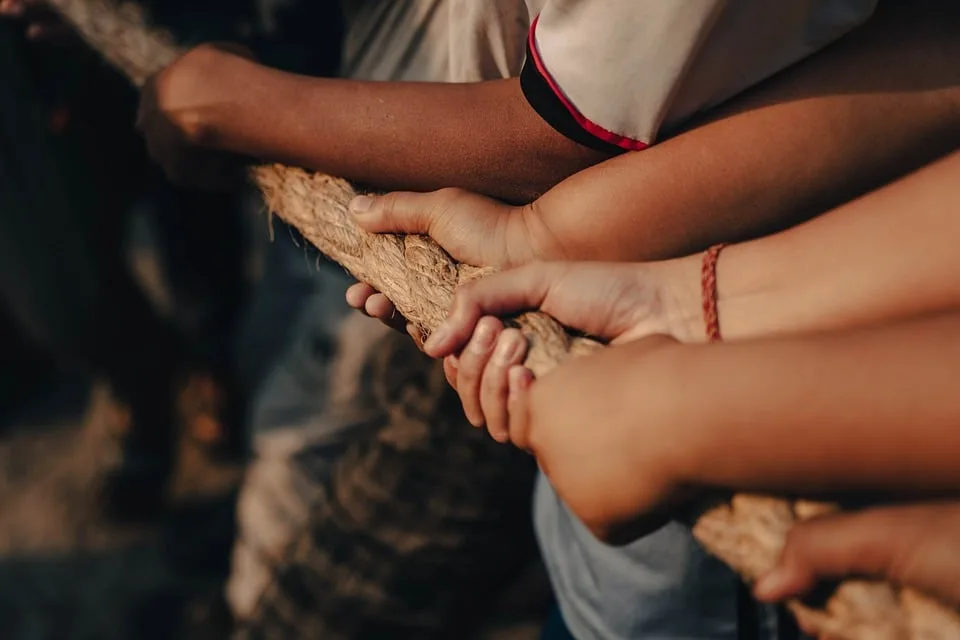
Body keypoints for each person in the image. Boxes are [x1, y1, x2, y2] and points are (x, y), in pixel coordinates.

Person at [344, 4, 960, 637]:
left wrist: (670, 414)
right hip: (684, 367)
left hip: (775, 449)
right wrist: (676, 305)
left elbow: (554, 128)